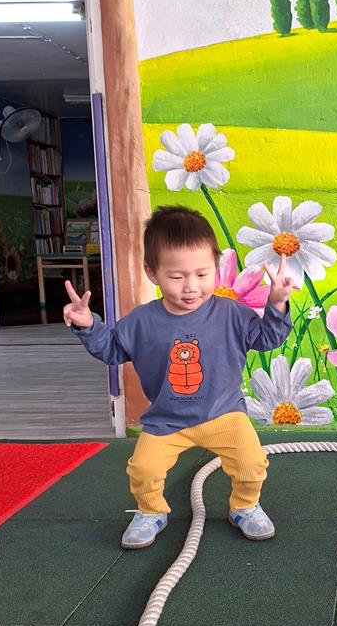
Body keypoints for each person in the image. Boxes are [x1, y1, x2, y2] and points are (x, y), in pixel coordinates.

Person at [64, 205, 294, 549]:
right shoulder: (141, 321)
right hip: (166, 420)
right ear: (152, 272)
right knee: (143, 470)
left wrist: (276, 305)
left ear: (216, 266)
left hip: (224, 413)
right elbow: (111, 349)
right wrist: (88, 325)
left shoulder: (232, 313)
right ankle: (150, 511)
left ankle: (244, 506)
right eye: (176, 277)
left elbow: (268, 338)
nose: (191, 287)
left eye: (202, 274)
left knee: (251, 463)